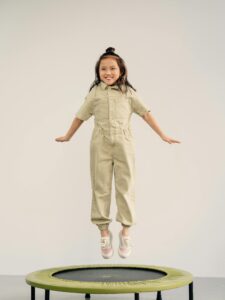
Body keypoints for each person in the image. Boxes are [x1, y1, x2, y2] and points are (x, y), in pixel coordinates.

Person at [55, 47, 180, 259]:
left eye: (112, 68)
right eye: (103, 69)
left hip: (124, 143)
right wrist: (68, 135)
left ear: (121, 71)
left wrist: (163, 135)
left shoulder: (129, 94)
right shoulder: (94, 94)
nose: (108, 72)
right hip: (100, 144)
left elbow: (146, 114)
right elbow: (80, 116)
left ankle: (125, 232)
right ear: (98, 72)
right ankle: (104, 233)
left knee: (126, 186)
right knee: (100, 187)